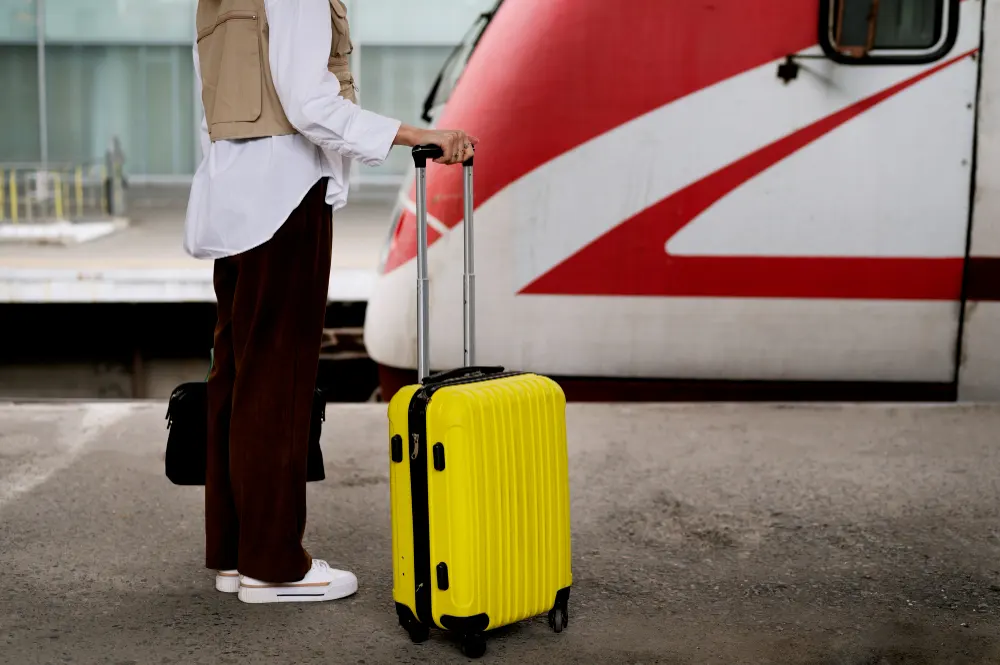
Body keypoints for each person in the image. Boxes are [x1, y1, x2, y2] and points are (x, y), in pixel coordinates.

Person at [184, 0, 477, 604]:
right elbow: (309, 103)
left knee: (237, 375)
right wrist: (413, 135)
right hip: (286, 194)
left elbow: (220, 99)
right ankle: (274, 566)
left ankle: (236, 555)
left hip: (231, 195)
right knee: (278, 382)